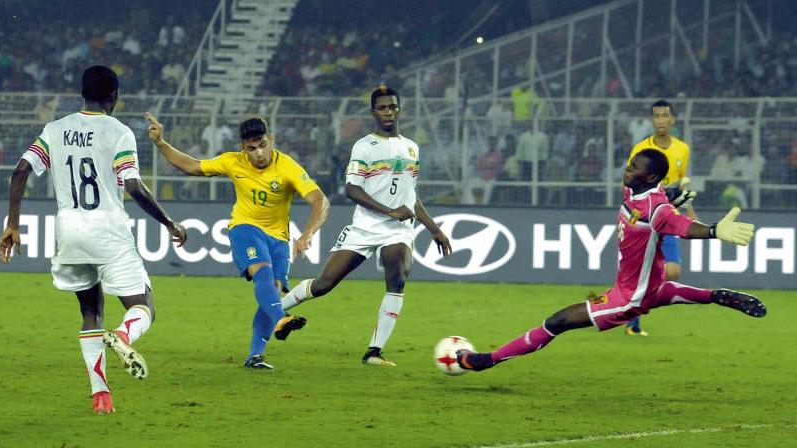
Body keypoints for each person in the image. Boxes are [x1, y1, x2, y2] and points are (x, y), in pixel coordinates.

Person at [455, 149, 764, 373]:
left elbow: (680, 226)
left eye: (634, 167)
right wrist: (670, 193)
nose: (626, 170)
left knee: (557, 322)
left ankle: (488, 360)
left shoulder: (657, 208)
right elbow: (652, 200)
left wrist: (713, 230)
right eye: (629, 164)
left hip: (631, 296)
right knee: (672, 292)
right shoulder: (634, 189)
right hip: (653, 286)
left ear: (651, 176)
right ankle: (718, 296)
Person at [0, 66, 188, 414]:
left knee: (90, 312)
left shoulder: (55, 130)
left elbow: (20, 170)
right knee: (143, 305)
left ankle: (101, 395)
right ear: (115, 95)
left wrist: (13, 224)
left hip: (70, 231)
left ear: (81, 93)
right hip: (109, 230)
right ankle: (124, 336)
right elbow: (132, 185)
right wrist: (167, 221)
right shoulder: (119, 132)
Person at [278, 85, 453, 366]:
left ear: (399, 110)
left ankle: (374, 351)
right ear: (374, 112)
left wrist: (433, 228)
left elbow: (411, 195)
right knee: (323, 285)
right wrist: (389, 211)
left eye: (392, 107)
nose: (387, 112)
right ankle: (274, 311)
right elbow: (352, 190)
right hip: (364, 227)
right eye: (382, 108)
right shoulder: (364, 146)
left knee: (397, 274)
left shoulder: (411, 147)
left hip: (398, 230)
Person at [146, 113, 329, 370]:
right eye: (251, 149)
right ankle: (282, 318)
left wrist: (307, 234)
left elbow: (320, 201)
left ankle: (255, 355)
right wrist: (161, 142)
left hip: (279, 239)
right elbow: (192, 166)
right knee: (263, 276)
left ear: (272, 140)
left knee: (272, 292)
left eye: (263, 145)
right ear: (243, 148)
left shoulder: (288, 166)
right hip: (245, 228)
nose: (259, 154)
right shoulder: (233, 162)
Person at [624, 100, 693, 336]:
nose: (661, 120)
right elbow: (630, 183)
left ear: (673, 119)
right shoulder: (640, 149)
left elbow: (681, 182)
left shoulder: (682, 149)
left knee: (672, 273)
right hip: (644, 218)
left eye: (665, 115)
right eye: (657, 116)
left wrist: (689, 211)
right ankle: (631, 318)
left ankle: (636, 297)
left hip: (668, 215)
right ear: (652, 120)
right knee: (647, 272)